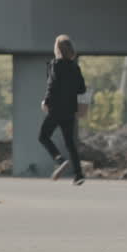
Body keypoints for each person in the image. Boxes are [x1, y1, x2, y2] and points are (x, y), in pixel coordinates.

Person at [40, 34, 87, 186]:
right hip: (69, 110)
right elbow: (82, 89)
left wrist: (46, 101)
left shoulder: (55, 64)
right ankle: (78, 175)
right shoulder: (75, 67)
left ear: (57, 49)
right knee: (70, 143)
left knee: (43, 136)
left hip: (56, 109)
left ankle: (59, 160)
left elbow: (51, 85)